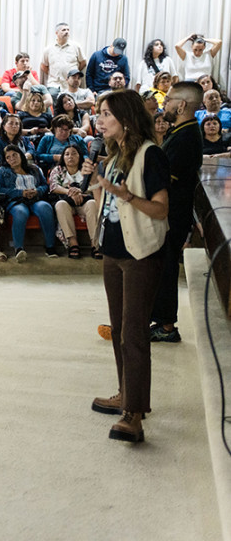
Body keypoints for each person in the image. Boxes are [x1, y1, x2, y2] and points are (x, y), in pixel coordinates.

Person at [84, 89, 170, 443]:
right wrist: (98, 186)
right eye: (99, 114)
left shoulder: (151, 156)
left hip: (140, 255)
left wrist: (128, 197)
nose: (99, 120)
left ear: (126, 118)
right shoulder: (113, 156)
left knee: (134, 334)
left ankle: (134, 413)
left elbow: (161, 209)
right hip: (113, 251)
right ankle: (125, 392)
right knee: (119, 329)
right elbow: (109, 206)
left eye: (105, 114)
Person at [148, 82, 204, 344]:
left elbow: (165, 179)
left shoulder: (185, 137)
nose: (164, 103)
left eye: (168, 99)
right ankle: (161, 319)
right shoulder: (181, 131)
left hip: (172, 214)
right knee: (161, 266)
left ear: (181, 105)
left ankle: (167, 326)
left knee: (166, 267)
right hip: (171, 212)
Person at [0, 144, 59, 260]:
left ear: (21, 155)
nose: (12, 159)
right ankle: (19, 249)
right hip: (17, 201)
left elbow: (45, 185)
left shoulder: (34, 168)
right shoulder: (3, 171)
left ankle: (50, 247)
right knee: (20, 212)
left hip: (36, 199)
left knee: (45, 208)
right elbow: (0, 189)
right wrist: (21, 193)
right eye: (8, 157)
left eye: (14, 155)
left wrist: (37, 191)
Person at [48, 143, 100, 258]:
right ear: (63, 157)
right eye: (67, 154)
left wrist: (80, 192)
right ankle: (73, 243)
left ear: (80, 156)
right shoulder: (58, 170)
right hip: (67, 202)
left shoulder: (86, 169)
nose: (70, 156)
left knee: (93, 203)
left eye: (74, 153)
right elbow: (54, 187)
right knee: (60, 205)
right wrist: (70, 192)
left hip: (85, 201)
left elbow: (93, 187)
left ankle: (95, 243)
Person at [40, 23, 87, 94]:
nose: (67, 32)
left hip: (72, 84)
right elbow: (43, 65)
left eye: (68, 30)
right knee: (53, 97)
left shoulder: (76, 47)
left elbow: (83, 62)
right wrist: (53, 74)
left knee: (71, 102)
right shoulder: (49, 49)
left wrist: (74, 74)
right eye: (63, 30)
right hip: (54, 84)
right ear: (56, 33)